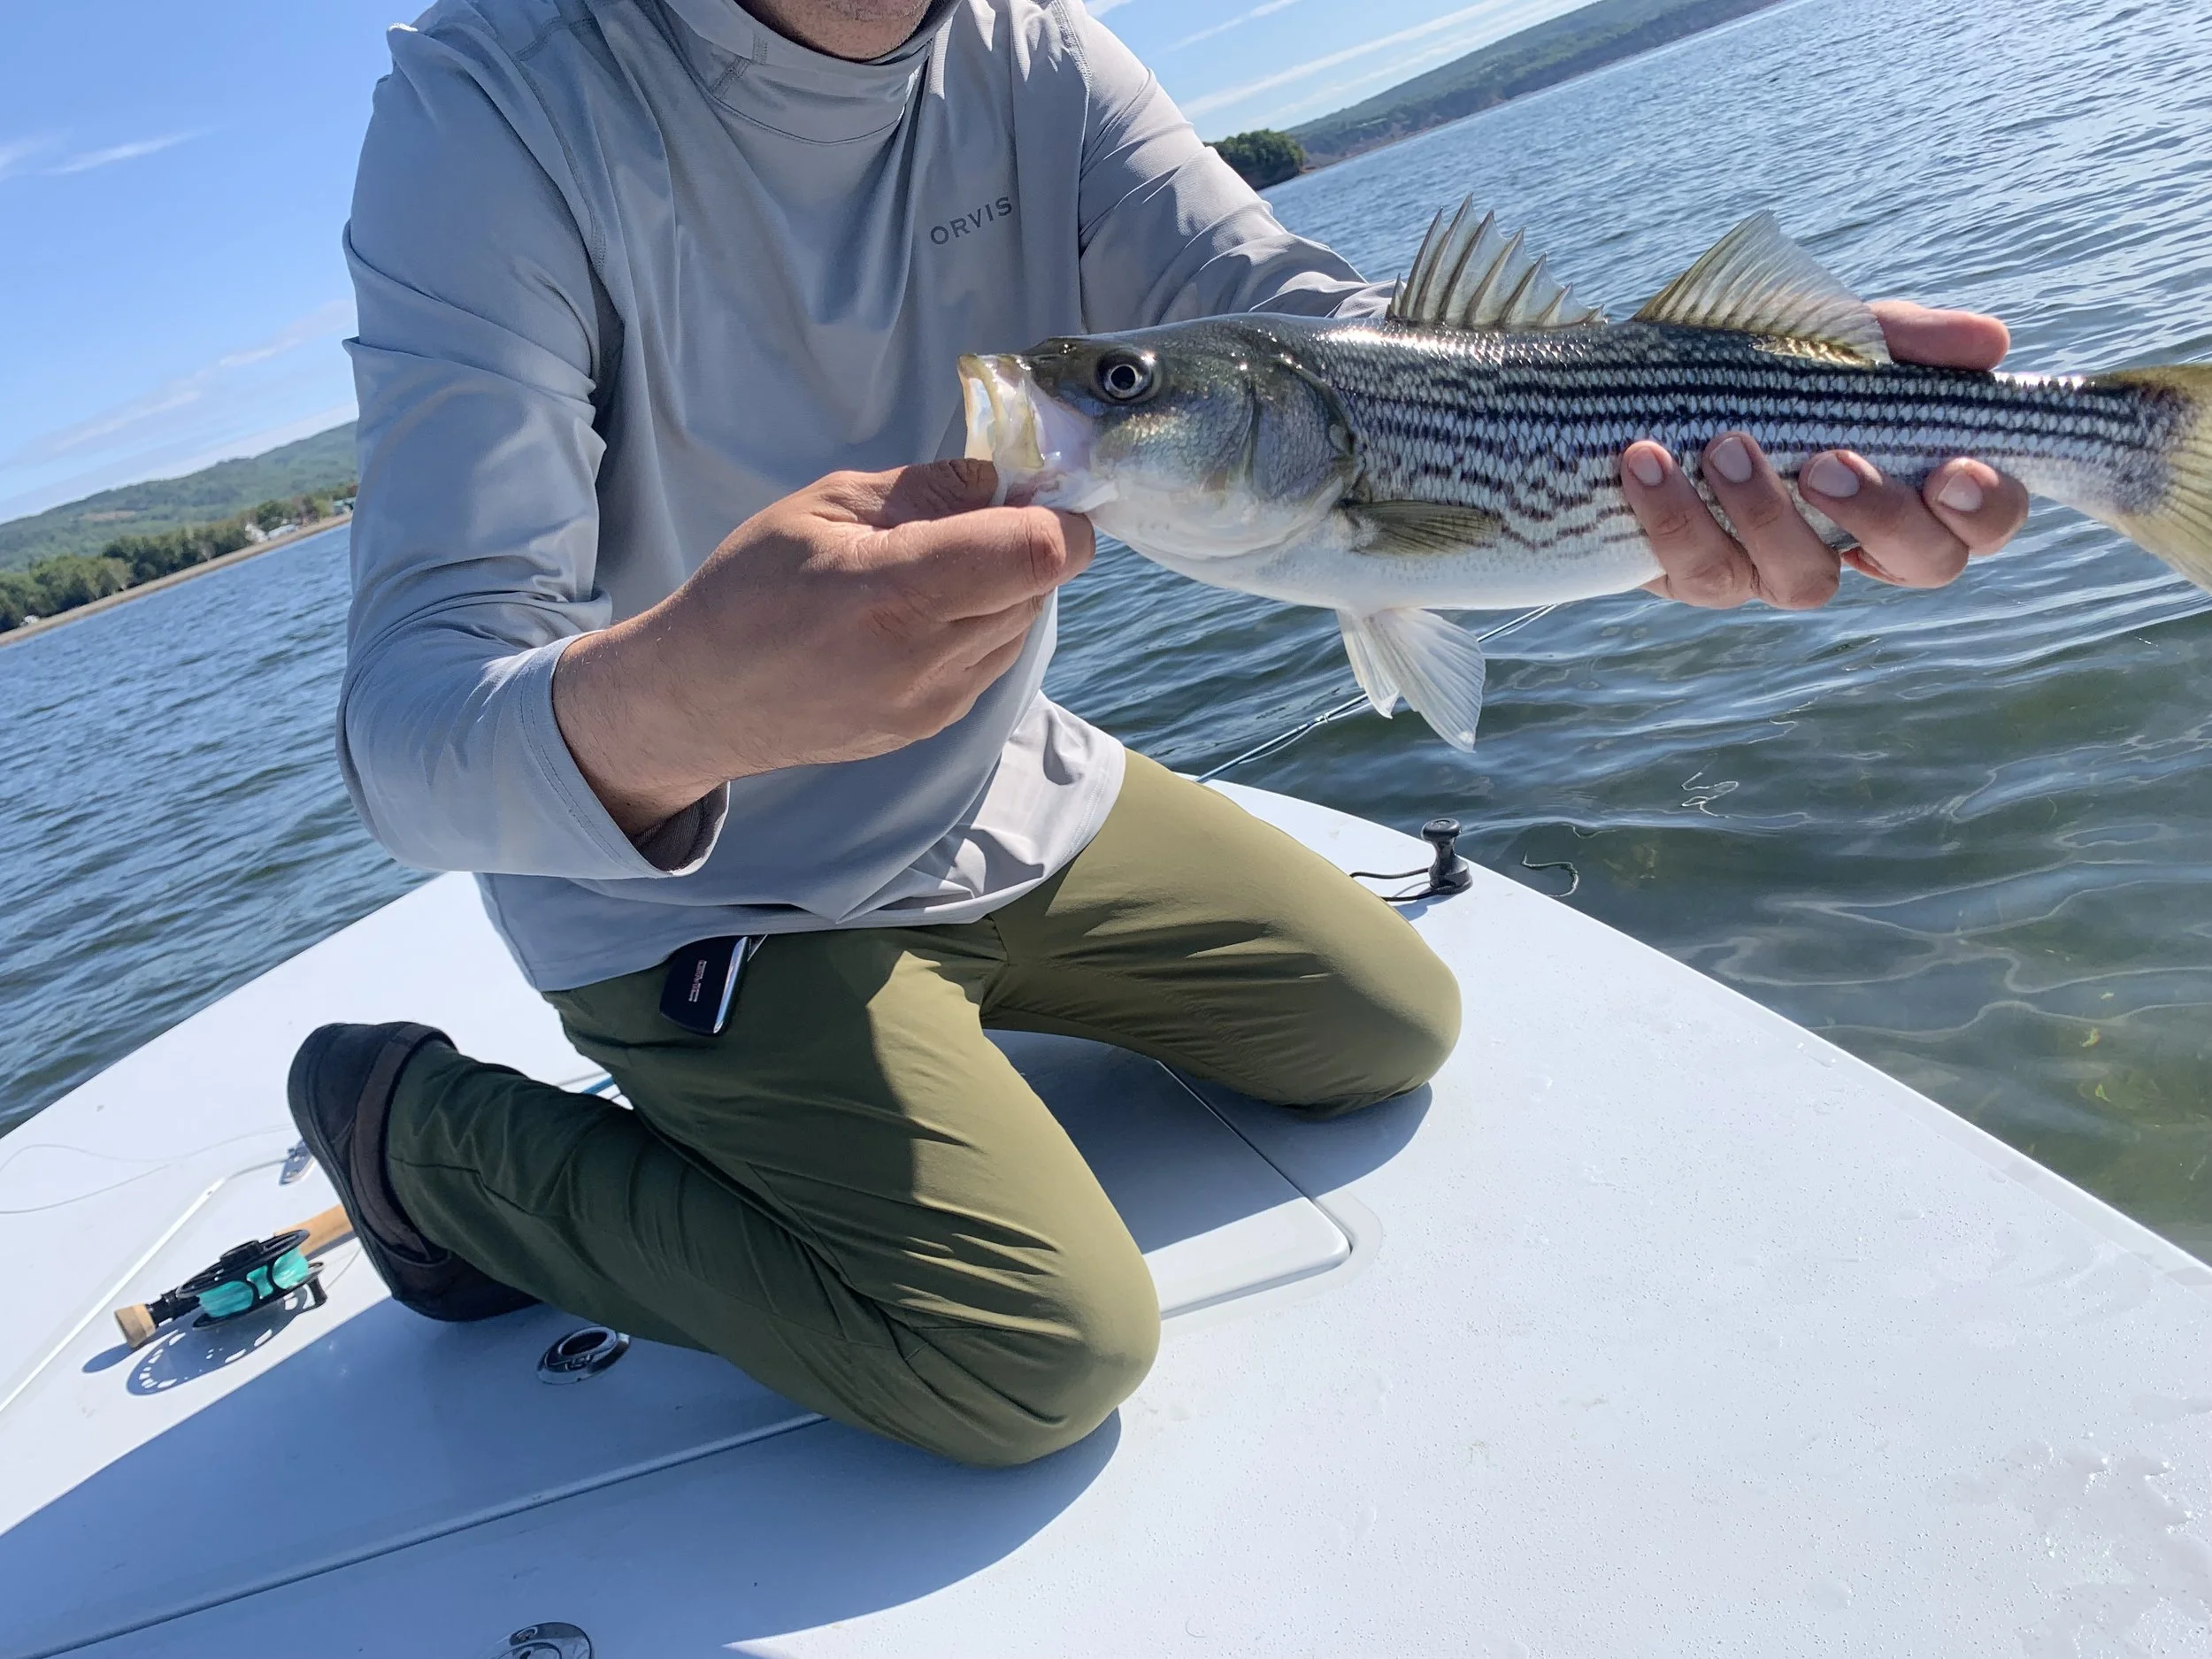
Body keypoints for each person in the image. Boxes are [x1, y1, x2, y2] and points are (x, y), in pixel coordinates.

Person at [289, 0, 2031, 1469]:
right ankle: (423, 1139)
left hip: (1000, 793)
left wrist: (1650, 452)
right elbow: (405, 731)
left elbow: (1300, 330)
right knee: (1032, 1358)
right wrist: (693, 698)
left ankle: (950, 998)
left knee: (1384, 1025)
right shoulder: (491, 107)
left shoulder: (1026, 50)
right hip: (700, 905)